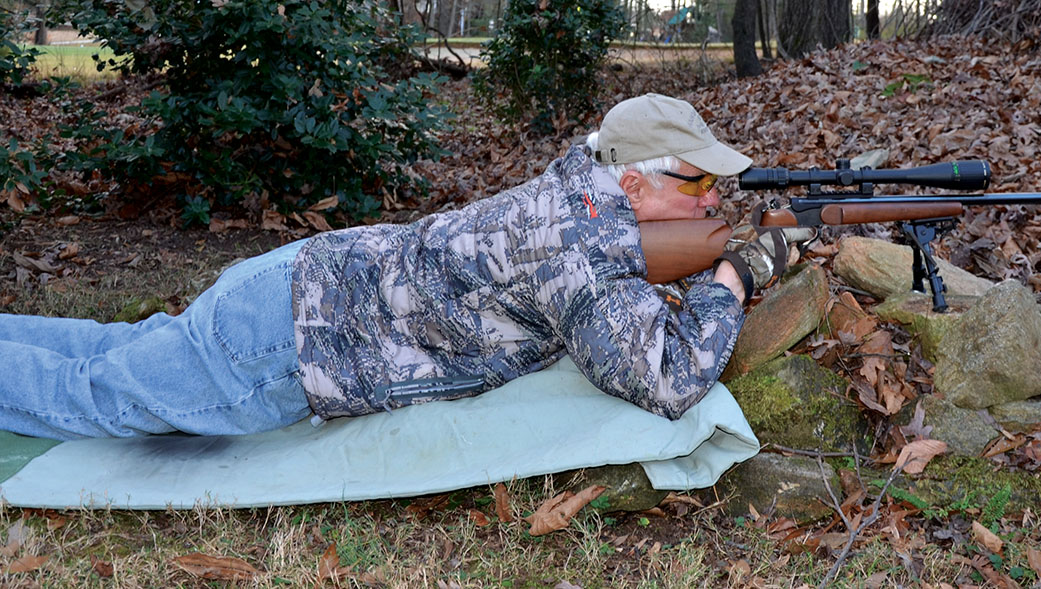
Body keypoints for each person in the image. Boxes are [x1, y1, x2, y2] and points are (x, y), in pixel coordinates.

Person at [0, 93, 812, 440]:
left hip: (294, 290)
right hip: (288, 341)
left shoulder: (579, 189)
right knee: (96, 401)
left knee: (120, 349)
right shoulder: (579, 248)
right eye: (700, 181)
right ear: (632, 181)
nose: (715, 199)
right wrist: (733, 279)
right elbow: (668, 380)